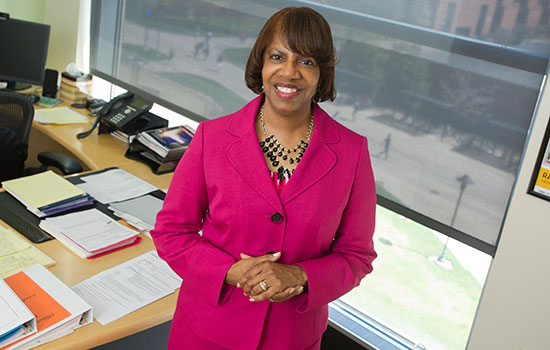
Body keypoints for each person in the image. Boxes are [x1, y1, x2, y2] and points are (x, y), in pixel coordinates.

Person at [152, 6, 377, 350]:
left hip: (292, 338)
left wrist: (299, 275)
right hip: (206, 332)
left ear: (321, 74)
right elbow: (171, 232)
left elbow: (357, 256)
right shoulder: (212, 138)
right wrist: (232, 272)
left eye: (306, 62)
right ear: (261, 63)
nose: (289, 73)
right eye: (278, 56)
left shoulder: (351, 152)